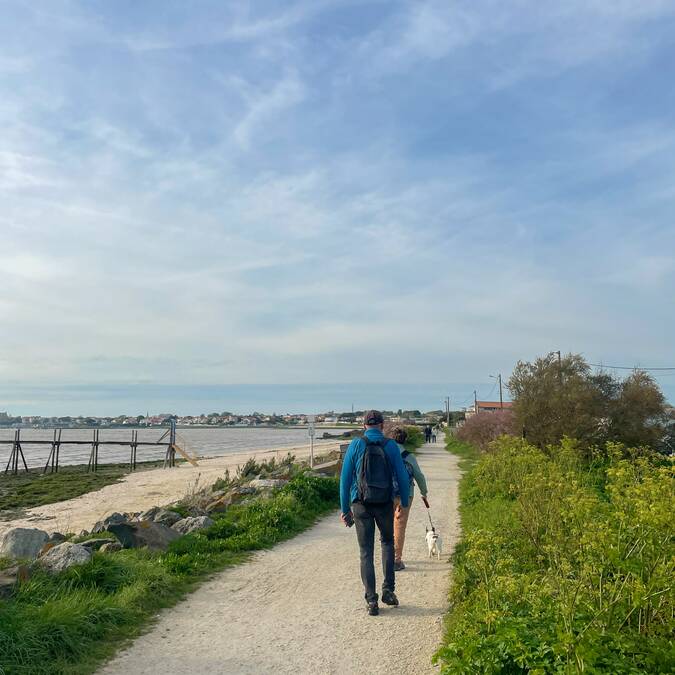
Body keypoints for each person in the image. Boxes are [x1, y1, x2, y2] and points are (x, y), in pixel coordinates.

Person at [340, 410, 410, 616]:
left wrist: (345, 511)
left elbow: (344, 482)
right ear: (382, 425)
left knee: (366, 552)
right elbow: (403, 477)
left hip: (360, 504)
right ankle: (388, 591)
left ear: (364, 426)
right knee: (387, 543)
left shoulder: (356, 444)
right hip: (384, 503)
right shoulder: (391, 446)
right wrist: (403, 503)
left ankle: (371, 600)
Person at [390, 427, 429, 571]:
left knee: (386, 524)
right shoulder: (409, 456)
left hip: (387, 494)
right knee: (400, 526)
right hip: (406, 495)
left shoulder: (385, 453)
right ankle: (396, 560)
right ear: (405, 440)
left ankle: (386, 556)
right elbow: (419, 476)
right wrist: (424, 492)